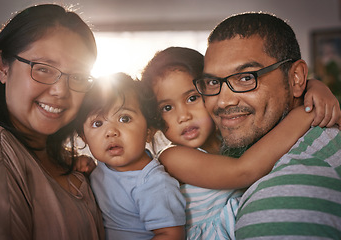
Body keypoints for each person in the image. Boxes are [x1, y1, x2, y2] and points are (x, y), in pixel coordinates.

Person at [141, 46, 341, 239]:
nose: (182, 116)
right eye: (167, 108)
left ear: (213, 90)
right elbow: (243, 170)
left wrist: (315, 87)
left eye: (192, 98)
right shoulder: (173, 157)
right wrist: (306, 113)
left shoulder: (230, 136)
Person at [193, 12, 341, 239]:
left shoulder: (283, 196)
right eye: (213, 82)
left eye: (246, 77)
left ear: (296, 78)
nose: (223, 102)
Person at [0, 4, 105, 240]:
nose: (60, 91)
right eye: (44, 69)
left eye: (77, 76)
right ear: (3, 66)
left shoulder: (70, 162)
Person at [75, 73, 186, 240]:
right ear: (84, 137)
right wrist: (84, 166)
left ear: (149, 131)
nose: (111, 131)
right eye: (97, 123)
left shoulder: (153, 183)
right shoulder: (100, 167)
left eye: (124, 118)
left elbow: (171, 235)